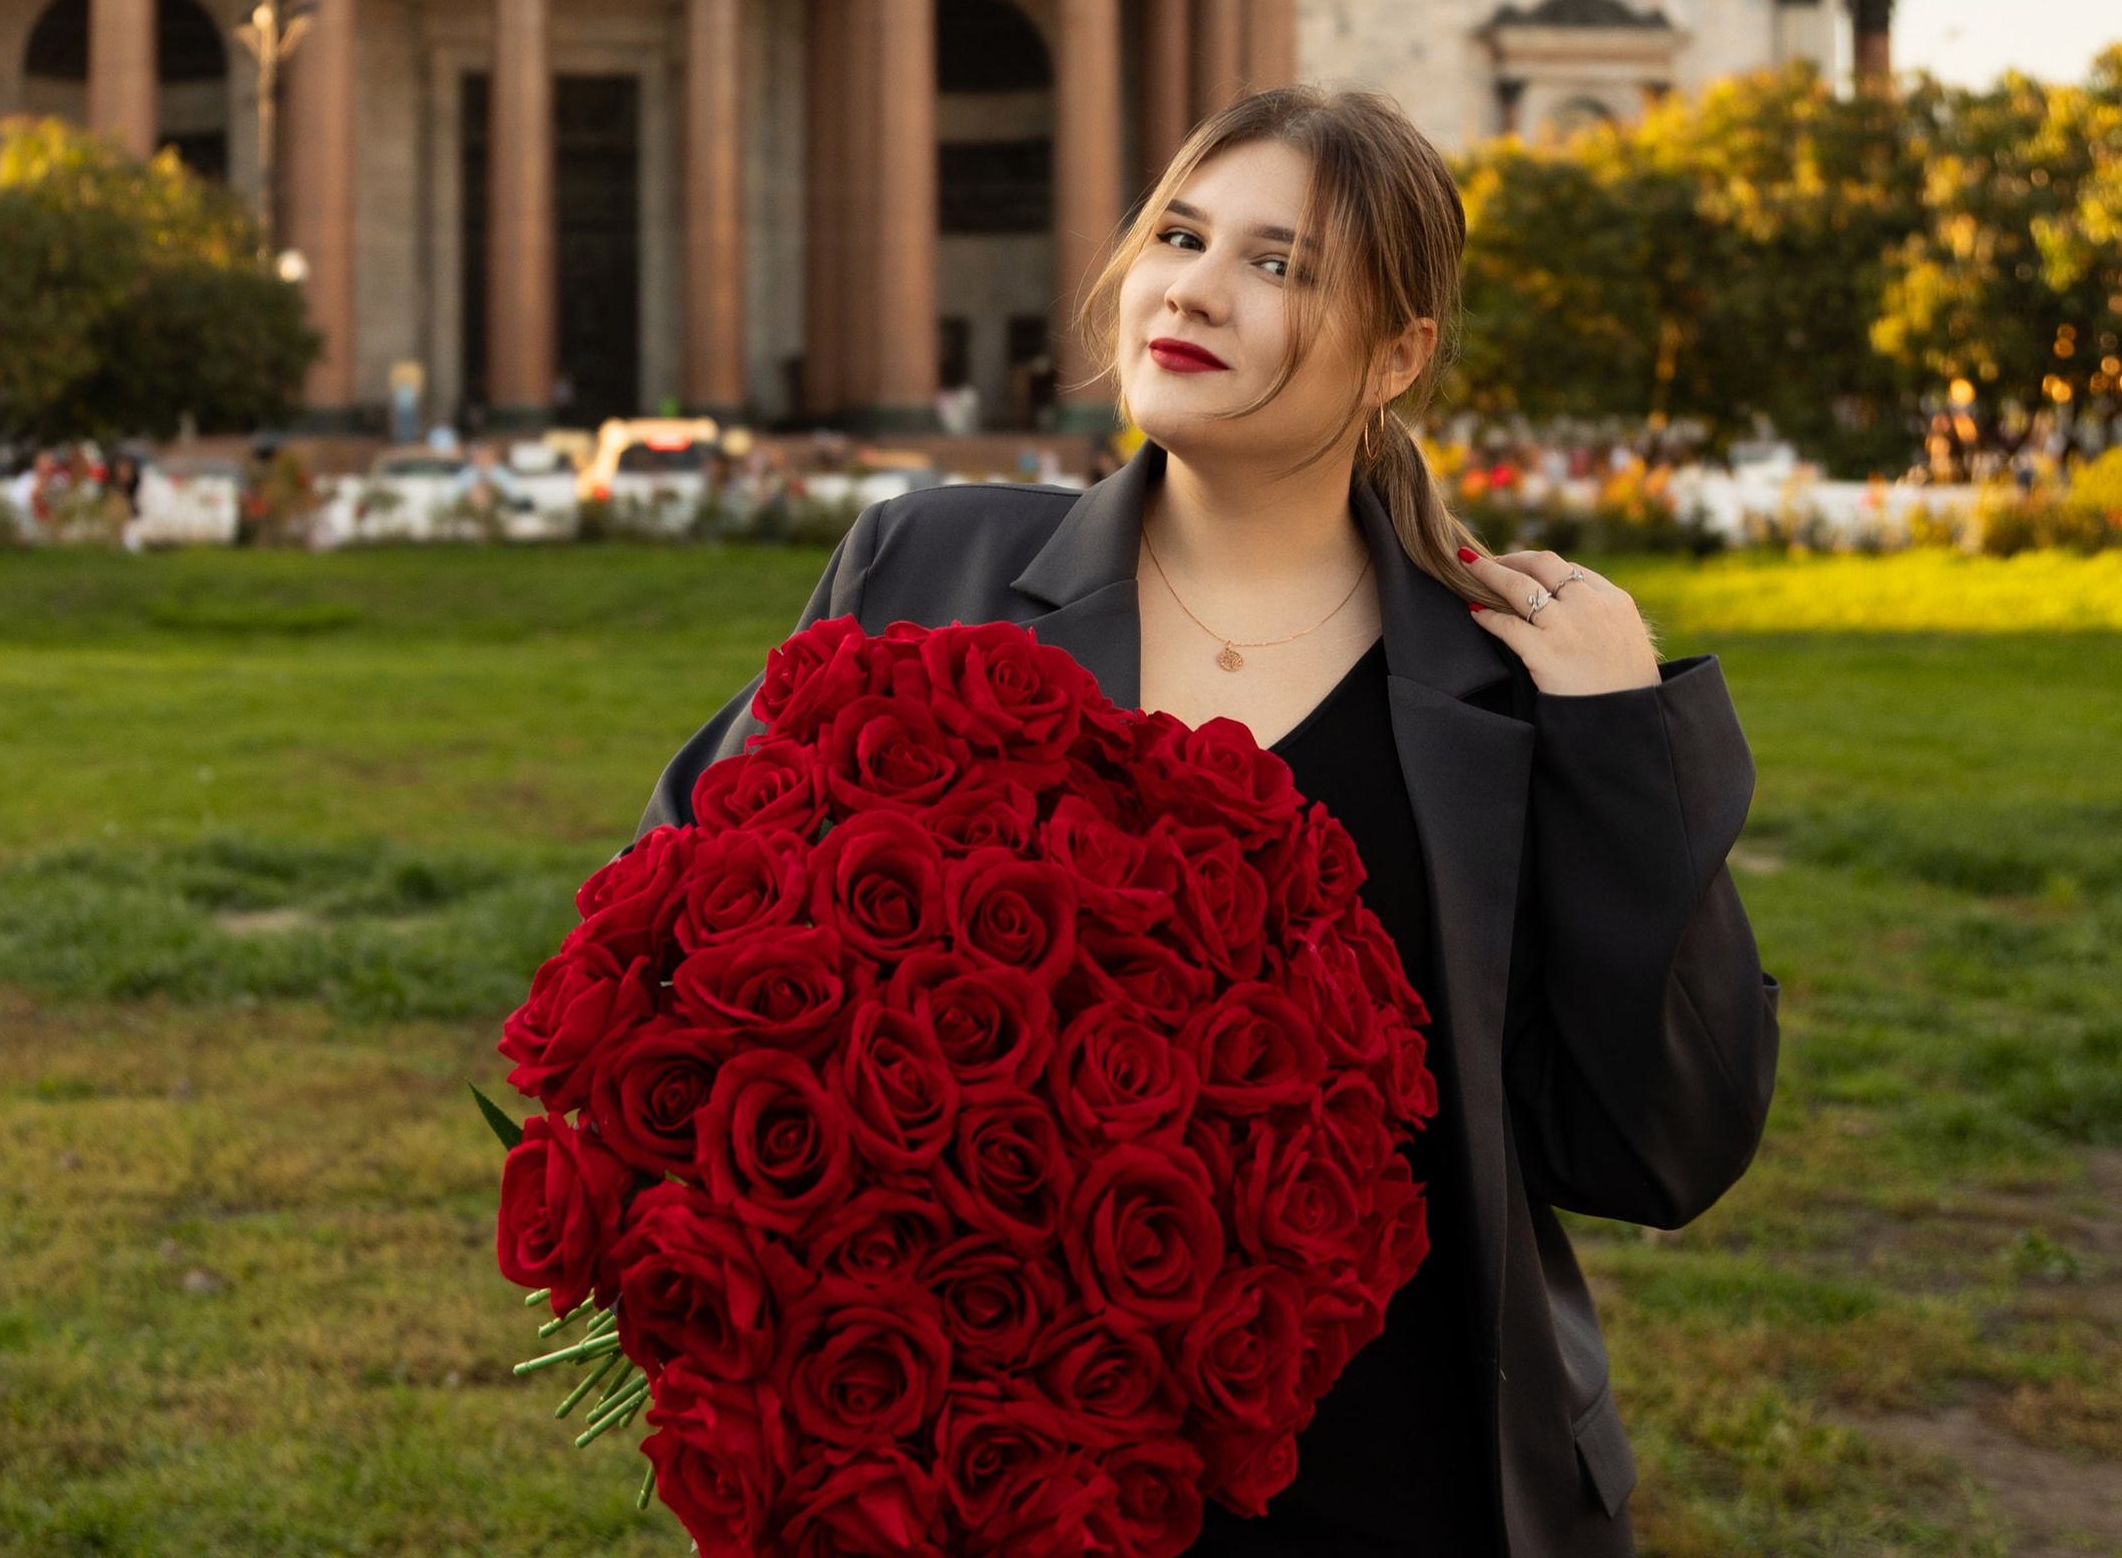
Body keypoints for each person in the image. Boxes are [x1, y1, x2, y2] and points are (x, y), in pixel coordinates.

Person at [639, 85, 1778, 1558]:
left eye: (1282, 264)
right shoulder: (928, 565)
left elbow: (1661, 1148)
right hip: (982, 1472)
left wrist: (1622, 737)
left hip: (1394, 1477)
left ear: (1398, 355)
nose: (1193, 286)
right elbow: (679, 932)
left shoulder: (1504, 691)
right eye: (1182, 233)